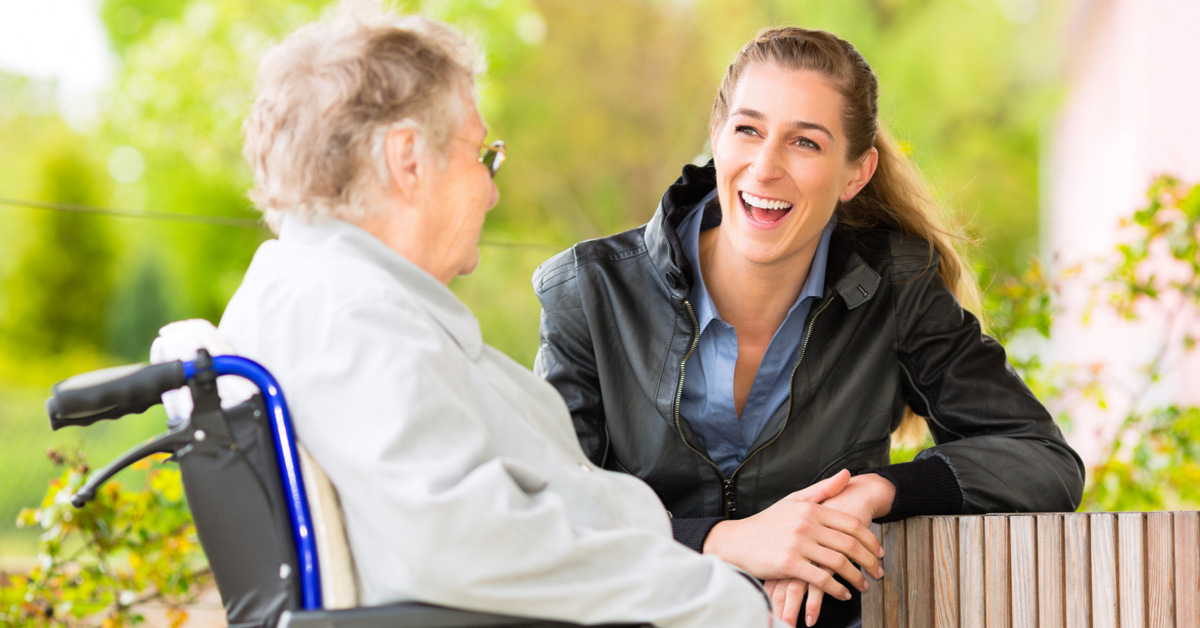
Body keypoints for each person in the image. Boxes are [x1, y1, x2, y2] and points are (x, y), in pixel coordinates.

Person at [218, 5, 803, 627]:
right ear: (408, 159)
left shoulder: (320, 297)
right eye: (481, 156)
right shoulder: (347, 321)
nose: (492, 191)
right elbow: (463, 543)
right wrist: (719, 601)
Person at [533, 26, 1085, 628]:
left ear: (856, 173)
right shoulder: (590, 291)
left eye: (805, 143)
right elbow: (550, 512)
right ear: (716, 137)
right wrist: (724, 539)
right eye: (748, 129)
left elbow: (1042, 461)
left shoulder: (894, 289)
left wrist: (876, 493)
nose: (765, 167)